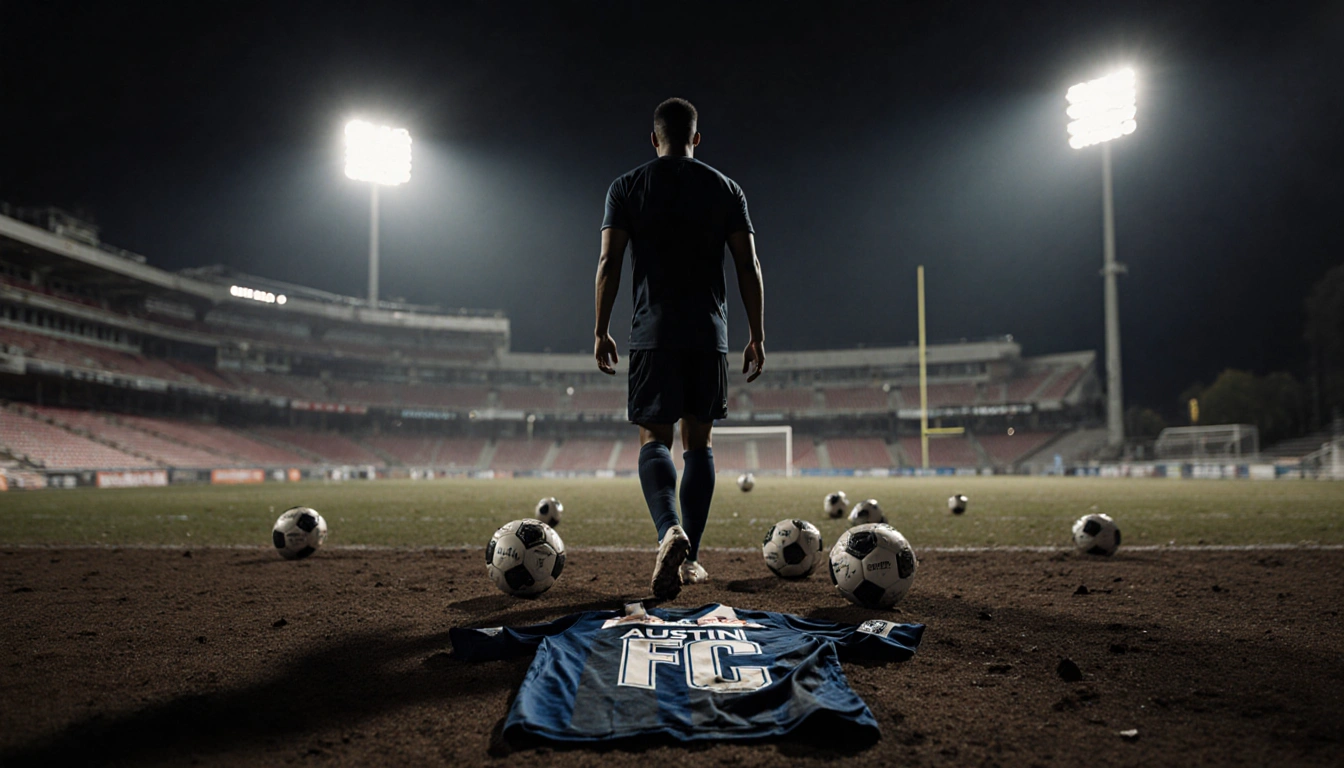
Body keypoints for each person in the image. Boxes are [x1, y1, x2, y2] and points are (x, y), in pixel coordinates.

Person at [594, 97, 765, 600]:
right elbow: (748, 265)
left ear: (654, 138)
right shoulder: (726, 188)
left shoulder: (626, 187)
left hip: (653, 332)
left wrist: (600, 328)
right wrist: (757, 334)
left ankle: (669, 530)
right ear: (696, 138)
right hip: (708, 335)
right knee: (699, 444)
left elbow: (609, 263)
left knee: (654, 437)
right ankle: (690, 560)